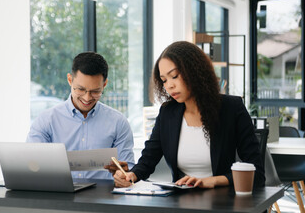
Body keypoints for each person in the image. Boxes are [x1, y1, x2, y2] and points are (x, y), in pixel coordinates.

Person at [113, 41, 265, 188]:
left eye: (174, 76)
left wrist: (212, 181)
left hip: (223, 201)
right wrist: (131, 175)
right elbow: (148, 160)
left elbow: (257, 173)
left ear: (194, 71)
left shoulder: (231, 108)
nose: (169, 85)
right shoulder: (167, 112)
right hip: (182, 201)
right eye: (164, 80)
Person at [27, 52, 135, 180]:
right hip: (59, 196)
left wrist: (124, 175)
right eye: (80, 89)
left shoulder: (118, 122)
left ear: (104, 84)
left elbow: (129, 168)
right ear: (69, 80)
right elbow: (31, 165)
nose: (87, 97)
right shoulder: (46, 120)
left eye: (95, 91)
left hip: (105, 197)